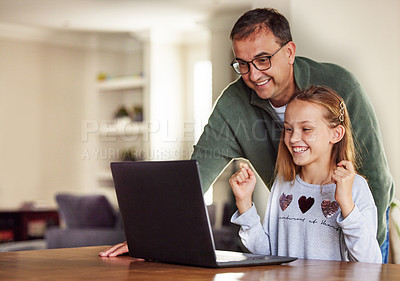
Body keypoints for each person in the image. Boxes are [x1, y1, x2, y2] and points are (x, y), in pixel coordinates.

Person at [99, 8, 394, 261]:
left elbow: (376, 178)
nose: (253, 75)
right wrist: (150, 237)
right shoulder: (233, 105)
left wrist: (363, 241)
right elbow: (194, 178)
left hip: (358, 237)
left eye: (263, 59)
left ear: (289, 52)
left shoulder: (340, 85)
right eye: (242, 64)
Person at [229, 86, 382, 263]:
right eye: (288, 129)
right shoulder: (284, 183)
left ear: (336, 134)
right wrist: (244, 202)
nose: (293, 139)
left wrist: (346, 203)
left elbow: (371, 263)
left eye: (306, 129)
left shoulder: (355, 188)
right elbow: (267, 253)